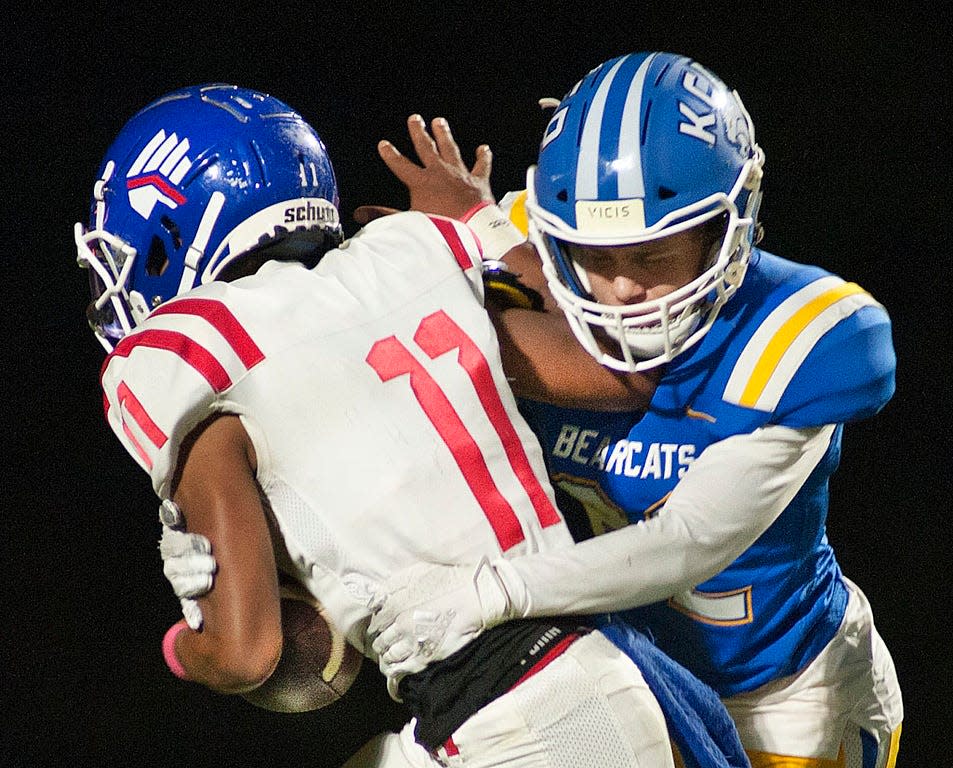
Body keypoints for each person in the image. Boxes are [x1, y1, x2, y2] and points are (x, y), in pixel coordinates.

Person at [76, 83, 746, 768]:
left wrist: (185, 643)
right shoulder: (409, 261)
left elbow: (247, 656)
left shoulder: (196, 358)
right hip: (588, 684)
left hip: (519, 724)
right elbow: (623, 371)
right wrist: (481, 223)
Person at [366, 52, 904, 768]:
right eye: (595, 255)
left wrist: (491, 590)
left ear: (728, 229)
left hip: (779, 693)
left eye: (654, 256)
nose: (620, 290)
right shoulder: (521, 265)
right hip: (624, 669)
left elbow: (687, 542)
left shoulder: (799, 339)